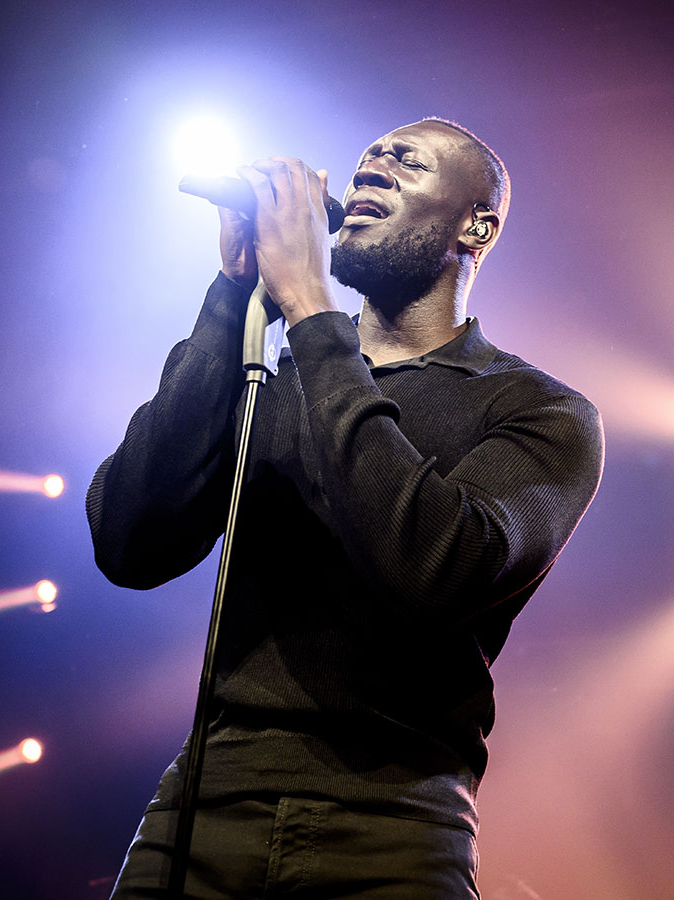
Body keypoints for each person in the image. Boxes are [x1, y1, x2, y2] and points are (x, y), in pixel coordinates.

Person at [88, 118, 604, 898]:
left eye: (406, 162)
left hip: (388, 829)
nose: (372, 171)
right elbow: (128, 541)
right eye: (366, 162)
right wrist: (231, 298)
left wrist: (311, 312)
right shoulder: (283, 377)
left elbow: (431, 566)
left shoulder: (539, 411)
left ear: (476, 224)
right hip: (203, 807)